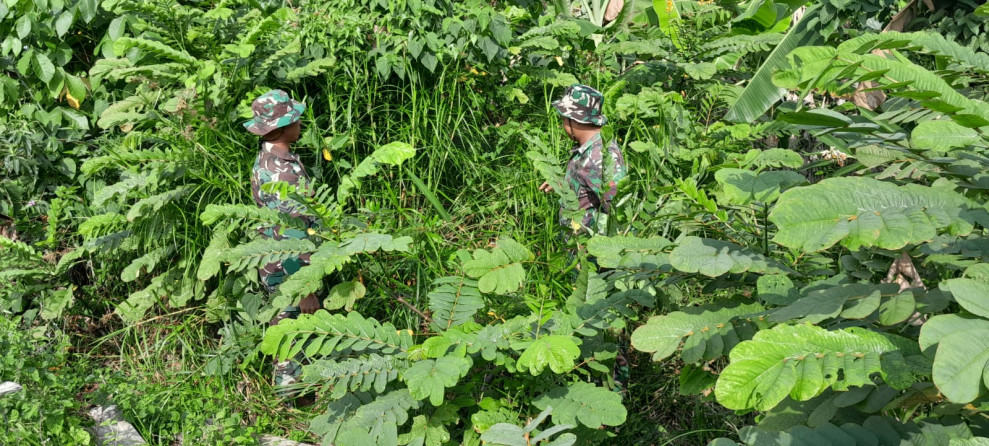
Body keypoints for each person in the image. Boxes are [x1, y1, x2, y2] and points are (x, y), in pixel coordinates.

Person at [243, 89, 321, 390]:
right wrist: (304, 289)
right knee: (291, 332)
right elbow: (289, 234)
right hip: (288, 268)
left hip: (280, 264)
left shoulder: (273, 158)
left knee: (289, 328)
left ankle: (295, 395)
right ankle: (291, 397)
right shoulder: (280, 174)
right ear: (282, 128)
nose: (300, 123)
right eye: (294, 119)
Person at [539, 84, 626, 236]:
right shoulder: (590, 147)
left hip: (590, 253)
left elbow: (619, 211)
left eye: (563, 119)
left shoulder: (599, 156)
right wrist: (565, 184)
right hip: (579, 249)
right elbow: (588, 185)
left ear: (572, 119)